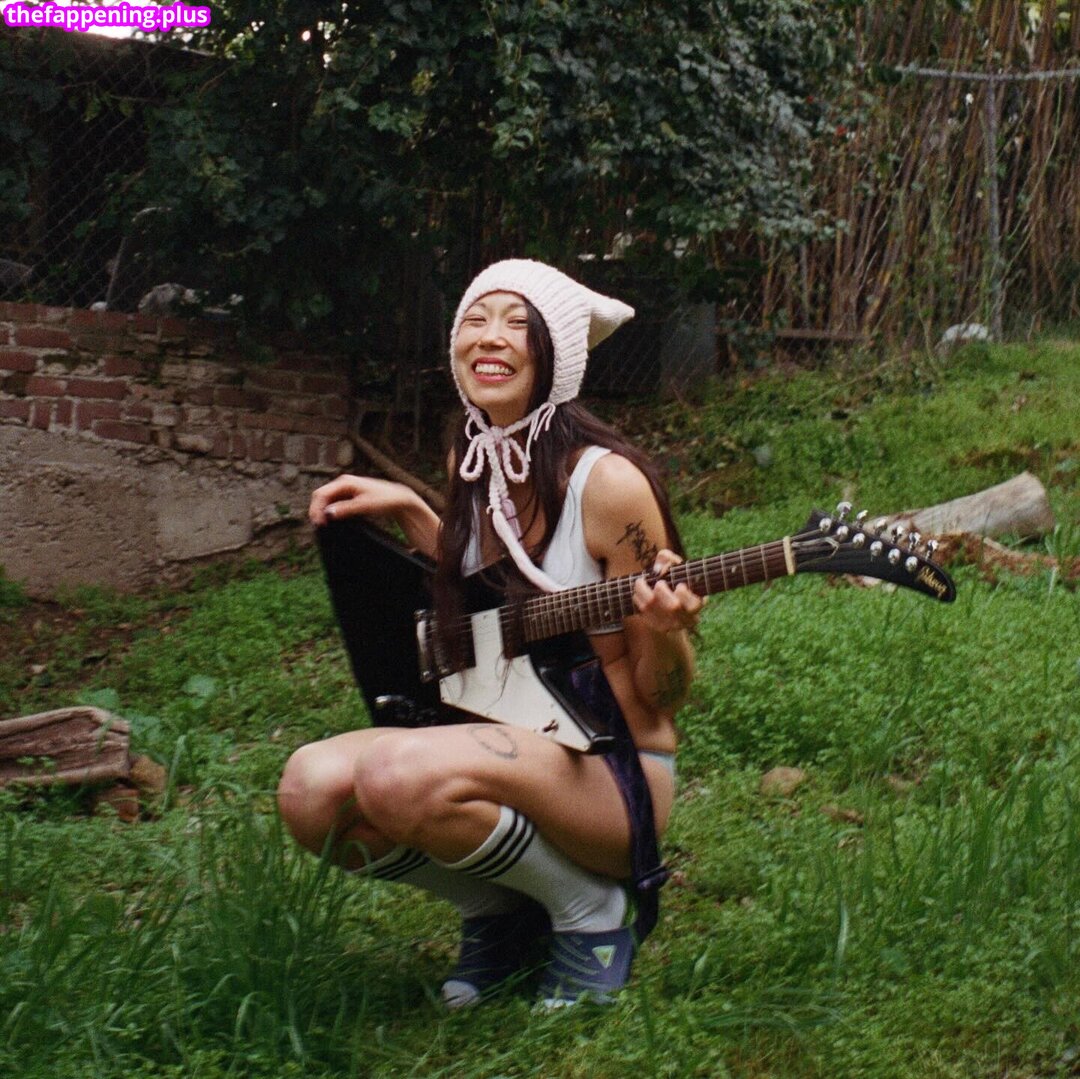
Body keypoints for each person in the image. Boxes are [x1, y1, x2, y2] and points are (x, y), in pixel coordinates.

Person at [277, 259, 705, 1008]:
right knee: (310, 790)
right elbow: (493, 592)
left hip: (614, 773)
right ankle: (499, 912)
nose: (490, 337)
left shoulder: (608, 486)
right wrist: (413, 510)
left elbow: (662, 697)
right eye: (475, 320)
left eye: (516, 323)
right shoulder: (474, 462)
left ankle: (591, 912)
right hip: (518, 735)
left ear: (555, 352)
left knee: (396, 777)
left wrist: (665, 632)